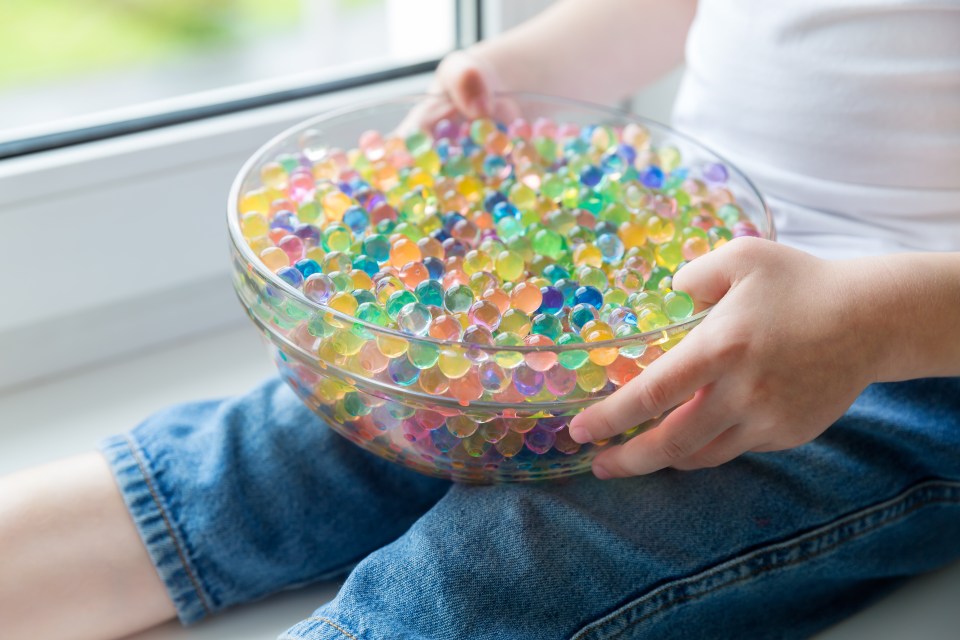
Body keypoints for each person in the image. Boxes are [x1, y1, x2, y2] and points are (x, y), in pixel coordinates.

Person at [2, 0, 959, 638]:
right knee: (290, 450)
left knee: (509, 568)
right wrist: (526, 65)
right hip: (664, 264)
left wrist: (871, 322)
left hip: (900, 364)